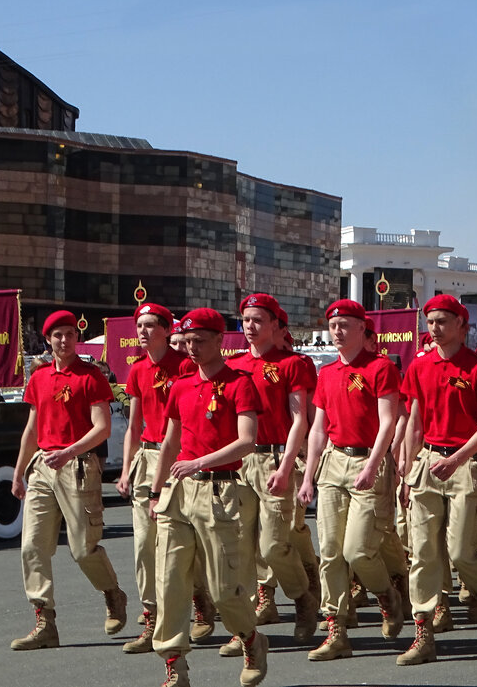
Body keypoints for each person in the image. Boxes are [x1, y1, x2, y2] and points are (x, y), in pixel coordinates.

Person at [149, 308, 267, 687]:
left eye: (200, 341)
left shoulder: (239, 383)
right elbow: (169, 442)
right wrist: (155, 492)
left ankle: (250, 638)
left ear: (221, 341)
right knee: (169, 583)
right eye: (186, 342)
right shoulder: (181, 386)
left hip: (220, 492)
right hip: (178, 494)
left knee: (222, 589)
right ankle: (174, 666)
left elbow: (247, 441)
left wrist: (199, 462)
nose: (192, 349)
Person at [396, 294, 477, 665]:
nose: (435, 329)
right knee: (423, 553)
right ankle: (423, 632)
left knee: (461, 552)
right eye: (430, 322)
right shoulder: (419, 366)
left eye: (443, 321)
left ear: (462, 324)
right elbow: (414, 422)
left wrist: (457, 459)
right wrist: (409, 471)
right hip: (427, 462)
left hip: (464, 465)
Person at [9, 311, 127, 651]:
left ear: (78, 337)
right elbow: (31, 430)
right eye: (58, 335)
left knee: (82, 548)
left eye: (70, 334)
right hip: (43, 467)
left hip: (78, 465)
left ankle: (112, 594)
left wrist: (68, 451)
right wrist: (18, 473)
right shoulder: (40, 377)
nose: (64, 340)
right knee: (32, 545)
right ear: (48, 339)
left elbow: (102, 427)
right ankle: (44, 622)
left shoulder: (90, 377)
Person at [297, 299, 404, 661]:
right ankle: (336, 629)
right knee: (329, 551)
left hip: (368, 462)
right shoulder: (326, 374)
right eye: (333, 326)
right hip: (333, 465)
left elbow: (388, 421)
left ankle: (386, 594)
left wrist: (373, 465)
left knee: (357, 550)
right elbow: (317, 429)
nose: (338, 332)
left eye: (345, 325)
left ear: (362, 328)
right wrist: (308, 476)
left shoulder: (381, 368)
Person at [227, 293, 319, 644]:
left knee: (272, 544)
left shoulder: (291, 364)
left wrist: (286, 466)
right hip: (239, 463)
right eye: (246, 320)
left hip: (274, 458)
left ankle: (302, 598)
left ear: (276, 326)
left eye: (258, 320)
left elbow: (300, 420)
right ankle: (244, 624)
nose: (250, 327)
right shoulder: (233, 366)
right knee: (240, 545)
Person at [115, 303, 196, 653]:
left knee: (180, 544)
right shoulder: (136, 370)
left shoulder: (187, 367)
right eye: (139, 326)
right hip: (147, 459)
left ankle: (200, 602)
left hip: (181, 460)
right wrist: (125, 469)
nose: (143, 332)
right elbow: (134, 425)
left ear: (167, 329)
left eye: (151, 325)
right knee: (144, 546)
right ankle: (151, 619)